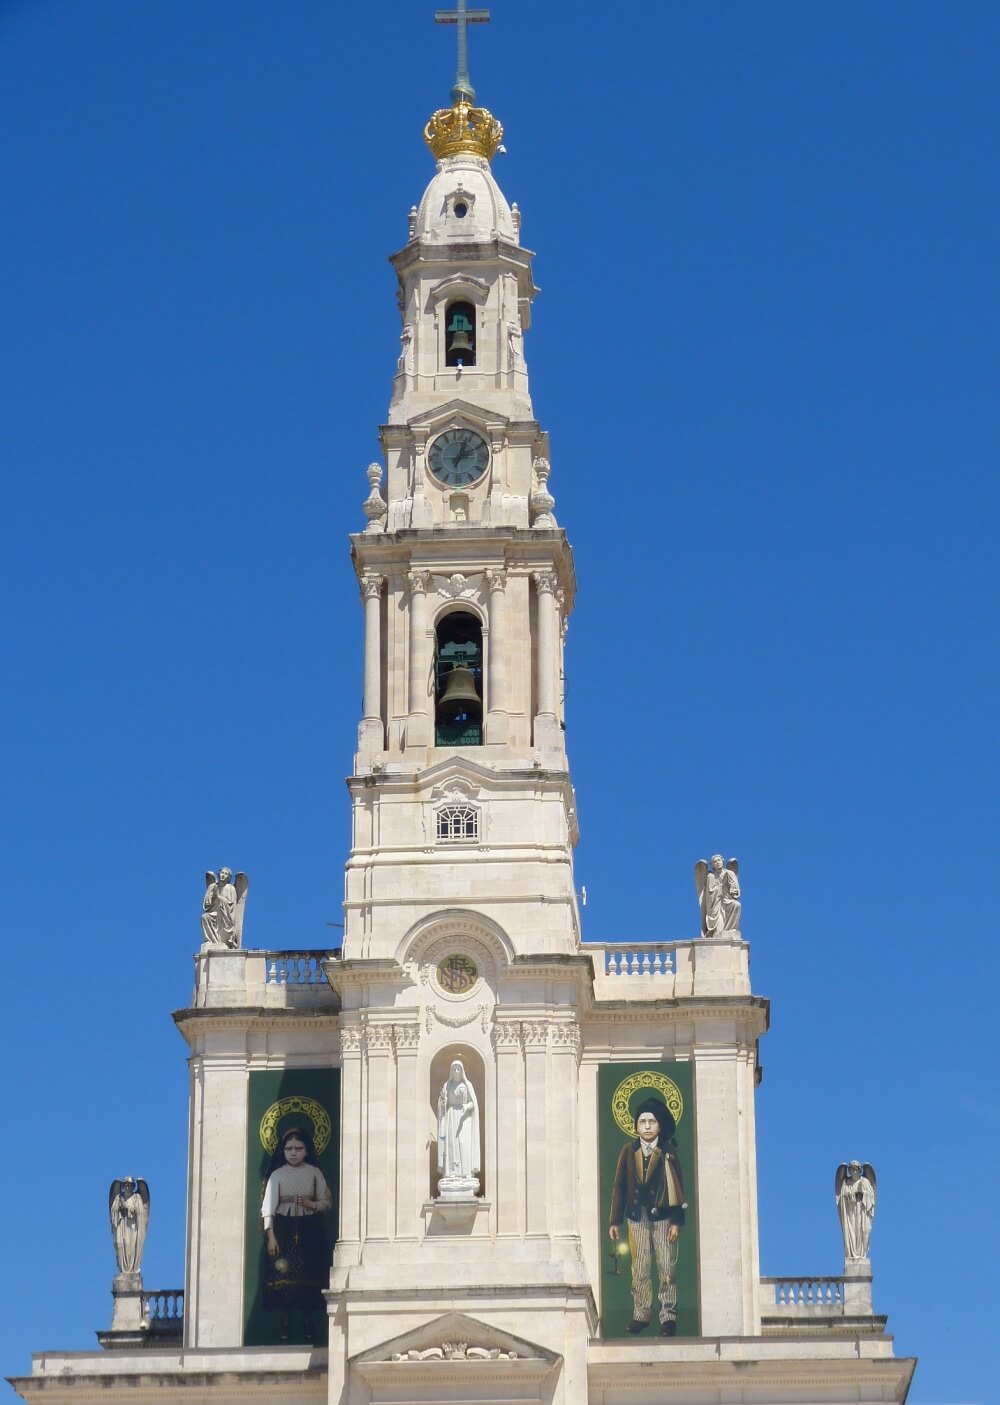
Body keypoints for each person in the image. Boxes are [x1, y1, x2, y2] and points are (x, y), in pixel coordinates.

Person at [608, 1097, 686, 1336]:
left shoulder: (668, 1152)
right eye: (642, 1121)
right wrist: (614, 1220)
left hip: (662, 1217)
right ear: (635, 1126)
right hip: (636, 1217)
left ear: (659, 1125)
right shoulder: (628, 1151)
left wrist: (676, 1221)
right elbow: (619, 1186)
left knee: (666, 1267)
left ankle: (668, 1315)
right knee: (639, 1267)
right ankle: (641, 1313)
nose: (647, 1125)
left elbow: (677, 1187)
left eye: (652, 1121)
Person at [260, 1126, 333, 1342]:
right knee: (284, 1274)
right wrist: (271, 1235)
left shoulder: (314, 1173)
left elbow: (327, 1201)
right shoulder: (277, 1175)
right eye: (289, 1148)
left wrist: (312, 1204)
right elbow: (268, 1207)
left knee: (308, 1273)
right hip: (284, 1227)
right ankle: (285, 1321)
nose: (293, 1152)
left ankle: (308, 1320)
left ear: (306, 1150)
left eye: (298, 1148)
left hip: (309, 1228)